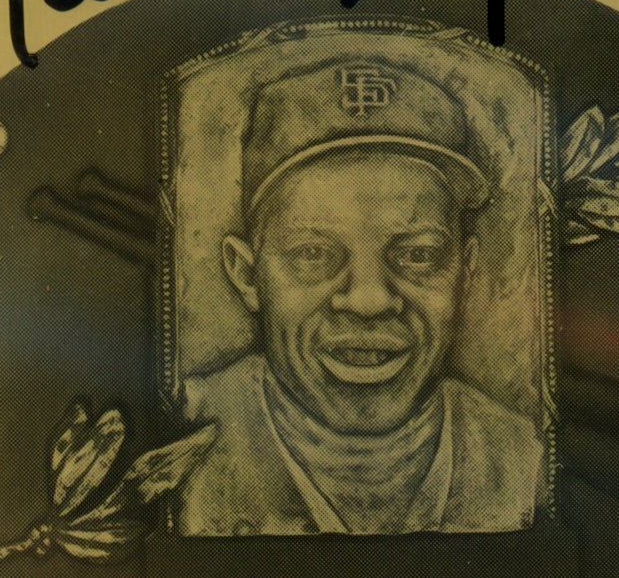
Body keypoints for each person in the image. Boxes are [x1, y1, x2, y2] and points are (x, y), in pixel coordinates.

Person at [176, 36, 545, 536]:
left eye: (417, 255)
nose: (369, 301)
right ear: (247, 275)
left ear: (466, 270)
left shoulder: (525, 461)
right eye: (313, 254)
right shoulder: (178, 435)